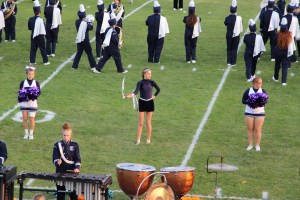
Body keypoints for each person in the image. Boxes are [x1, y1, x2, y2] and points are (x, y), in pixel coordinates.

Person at [126, 68, 160, 145]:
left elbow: (158, 89)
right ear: (144, 74)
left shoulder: (152, 82)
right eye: (148, 73)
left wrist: (154, 96)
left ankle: (148, 139)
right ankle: (138, 139)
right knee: (141, 123)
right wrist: (131, 95)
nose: (150, 75)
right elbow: (136, 91)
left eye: (150, 74)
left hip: (150, 103)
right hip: (141, 102)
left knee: (148, 122)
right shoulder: (140, 82)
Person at [52, 123, 81, 200]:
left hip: (72, 173)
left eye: (67, 135)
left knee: (73, 195)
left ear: (70, 135)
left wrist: (77, 168)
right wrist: (57, 162)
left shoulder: (75, 145)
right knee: (60, 195)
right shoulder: (57, 145)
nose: (66, 137)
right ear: (62, 135)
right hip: (60, 172)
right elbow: (54, 158)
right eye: (64, 135)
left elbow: (77, 159)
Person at [242, 76, 267, 152]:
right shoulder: (248, 91)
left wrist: (258, 103)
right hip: (249, 112)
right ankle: (250, 145)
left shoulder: (263, 91)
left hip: (260, 113)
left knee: (258, 129)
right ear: (254, 83)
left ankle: (257, 145)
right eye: (259, 83)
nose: (260, 84)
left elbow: (265, 101)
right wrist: (250, 102)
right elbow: (243, 100)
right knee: (250, 129)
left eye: (261, 83)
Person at [72, 4, 97, 70]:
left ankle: (74, 66)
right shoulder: (86, 23)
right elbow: (91, 28)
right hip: (85, 39)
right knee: (89, 52)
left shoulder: (77, 21)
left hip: (79, 39)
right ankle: (93, 66)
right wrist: (90, 21)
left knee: (79, 52)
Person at [19, 66, 41, 140]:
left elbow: (39, 92)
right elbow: (20, 92)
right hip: (24, 103)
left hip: (33, 103)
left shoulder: (36, 83)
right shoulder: (23, 82)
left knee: (32, 119)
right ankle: (26, 133)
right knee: (25, 118)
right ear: (27, 74)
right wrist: (24, 96)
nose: (30, 75)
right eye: (29, 74)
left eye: (32, 74)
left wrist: (33, 96)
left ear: (34, 74)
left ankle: (31, 134)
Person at [273, 17, 294, 86]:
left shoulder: (277, 34)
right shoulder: (289, 35)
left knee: (277, 64)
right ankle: (283, 81)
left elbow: (274, 42)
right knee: (285, 66)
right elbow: (291, 45)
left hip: (278, 52)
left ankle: (276, 78)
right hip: (286, 53)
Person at [28, 0, 50, 65]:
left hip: (33, 35)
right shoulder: (41, 20)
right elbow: (43, 28)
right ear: (39, 12)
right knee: (42, 49)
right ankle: (45, 61)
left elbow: (29, 28)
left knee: (33, 49)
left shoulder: (30, 19)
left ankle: (32, 61)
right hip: (40, 36)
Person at [224, 0, 243, 66]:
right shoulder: (239, 18)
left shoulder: (227, 18)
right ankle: (233, 62)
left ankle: (228, 61)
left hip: (229, 34)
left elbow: (225, 23)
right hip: (236, 35)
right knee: (235, 48)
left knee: (229, 48)